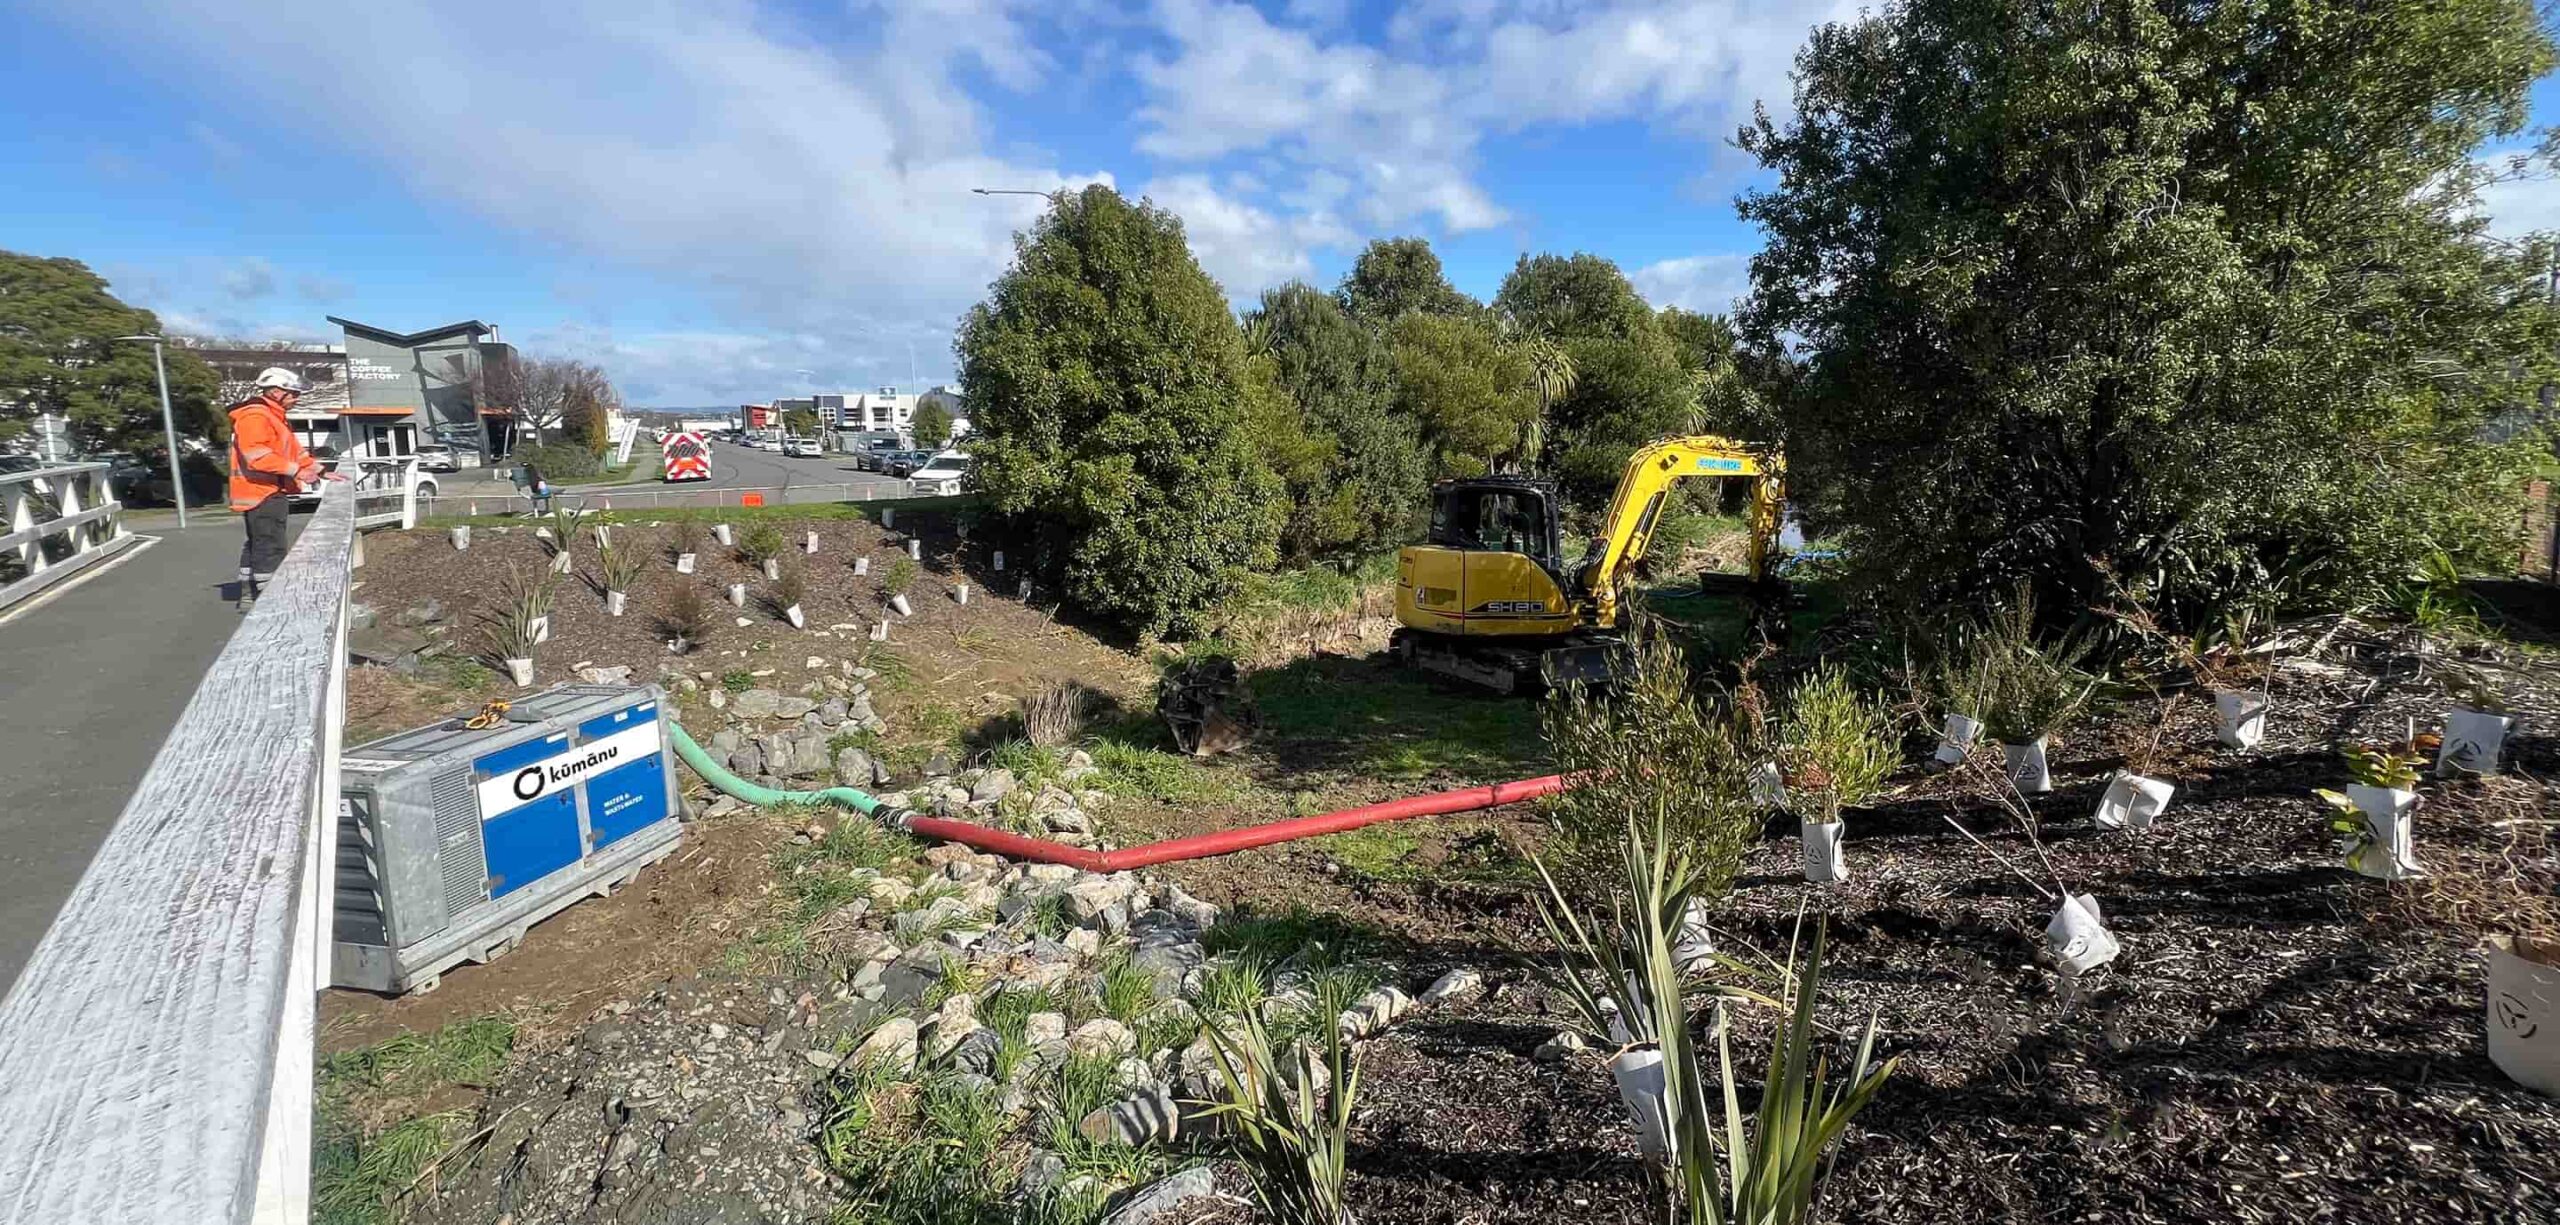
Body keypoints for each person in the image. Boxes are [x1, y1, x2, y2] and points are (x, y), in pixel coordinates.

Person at [227, 367, 346, 613]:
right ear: (275, 391)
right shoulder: (256, 416)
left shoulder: (274, 416)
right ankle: (272, 602)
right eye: (292, 393)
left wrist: (321, 471)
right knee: (270, 546)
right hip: (262, 491)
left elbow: (296, 453)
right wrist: (297, 471)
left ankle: (250, 595)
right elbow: (257, 456)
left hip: (267, 491)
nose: (296, 398)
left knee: (259, 544)